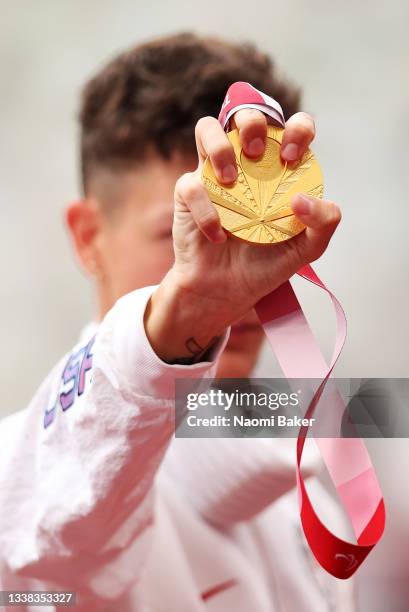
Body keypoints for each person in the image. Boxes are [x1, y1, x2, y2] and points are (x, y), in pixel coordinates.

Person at [0, 33, 354, 611]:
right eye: (185, 231)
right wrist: (184, 318)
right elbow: (44, 527)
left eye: (258, 229)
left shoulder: (304, 489)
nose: (235, 278)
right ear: (88, 236)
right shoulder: (35, 476)